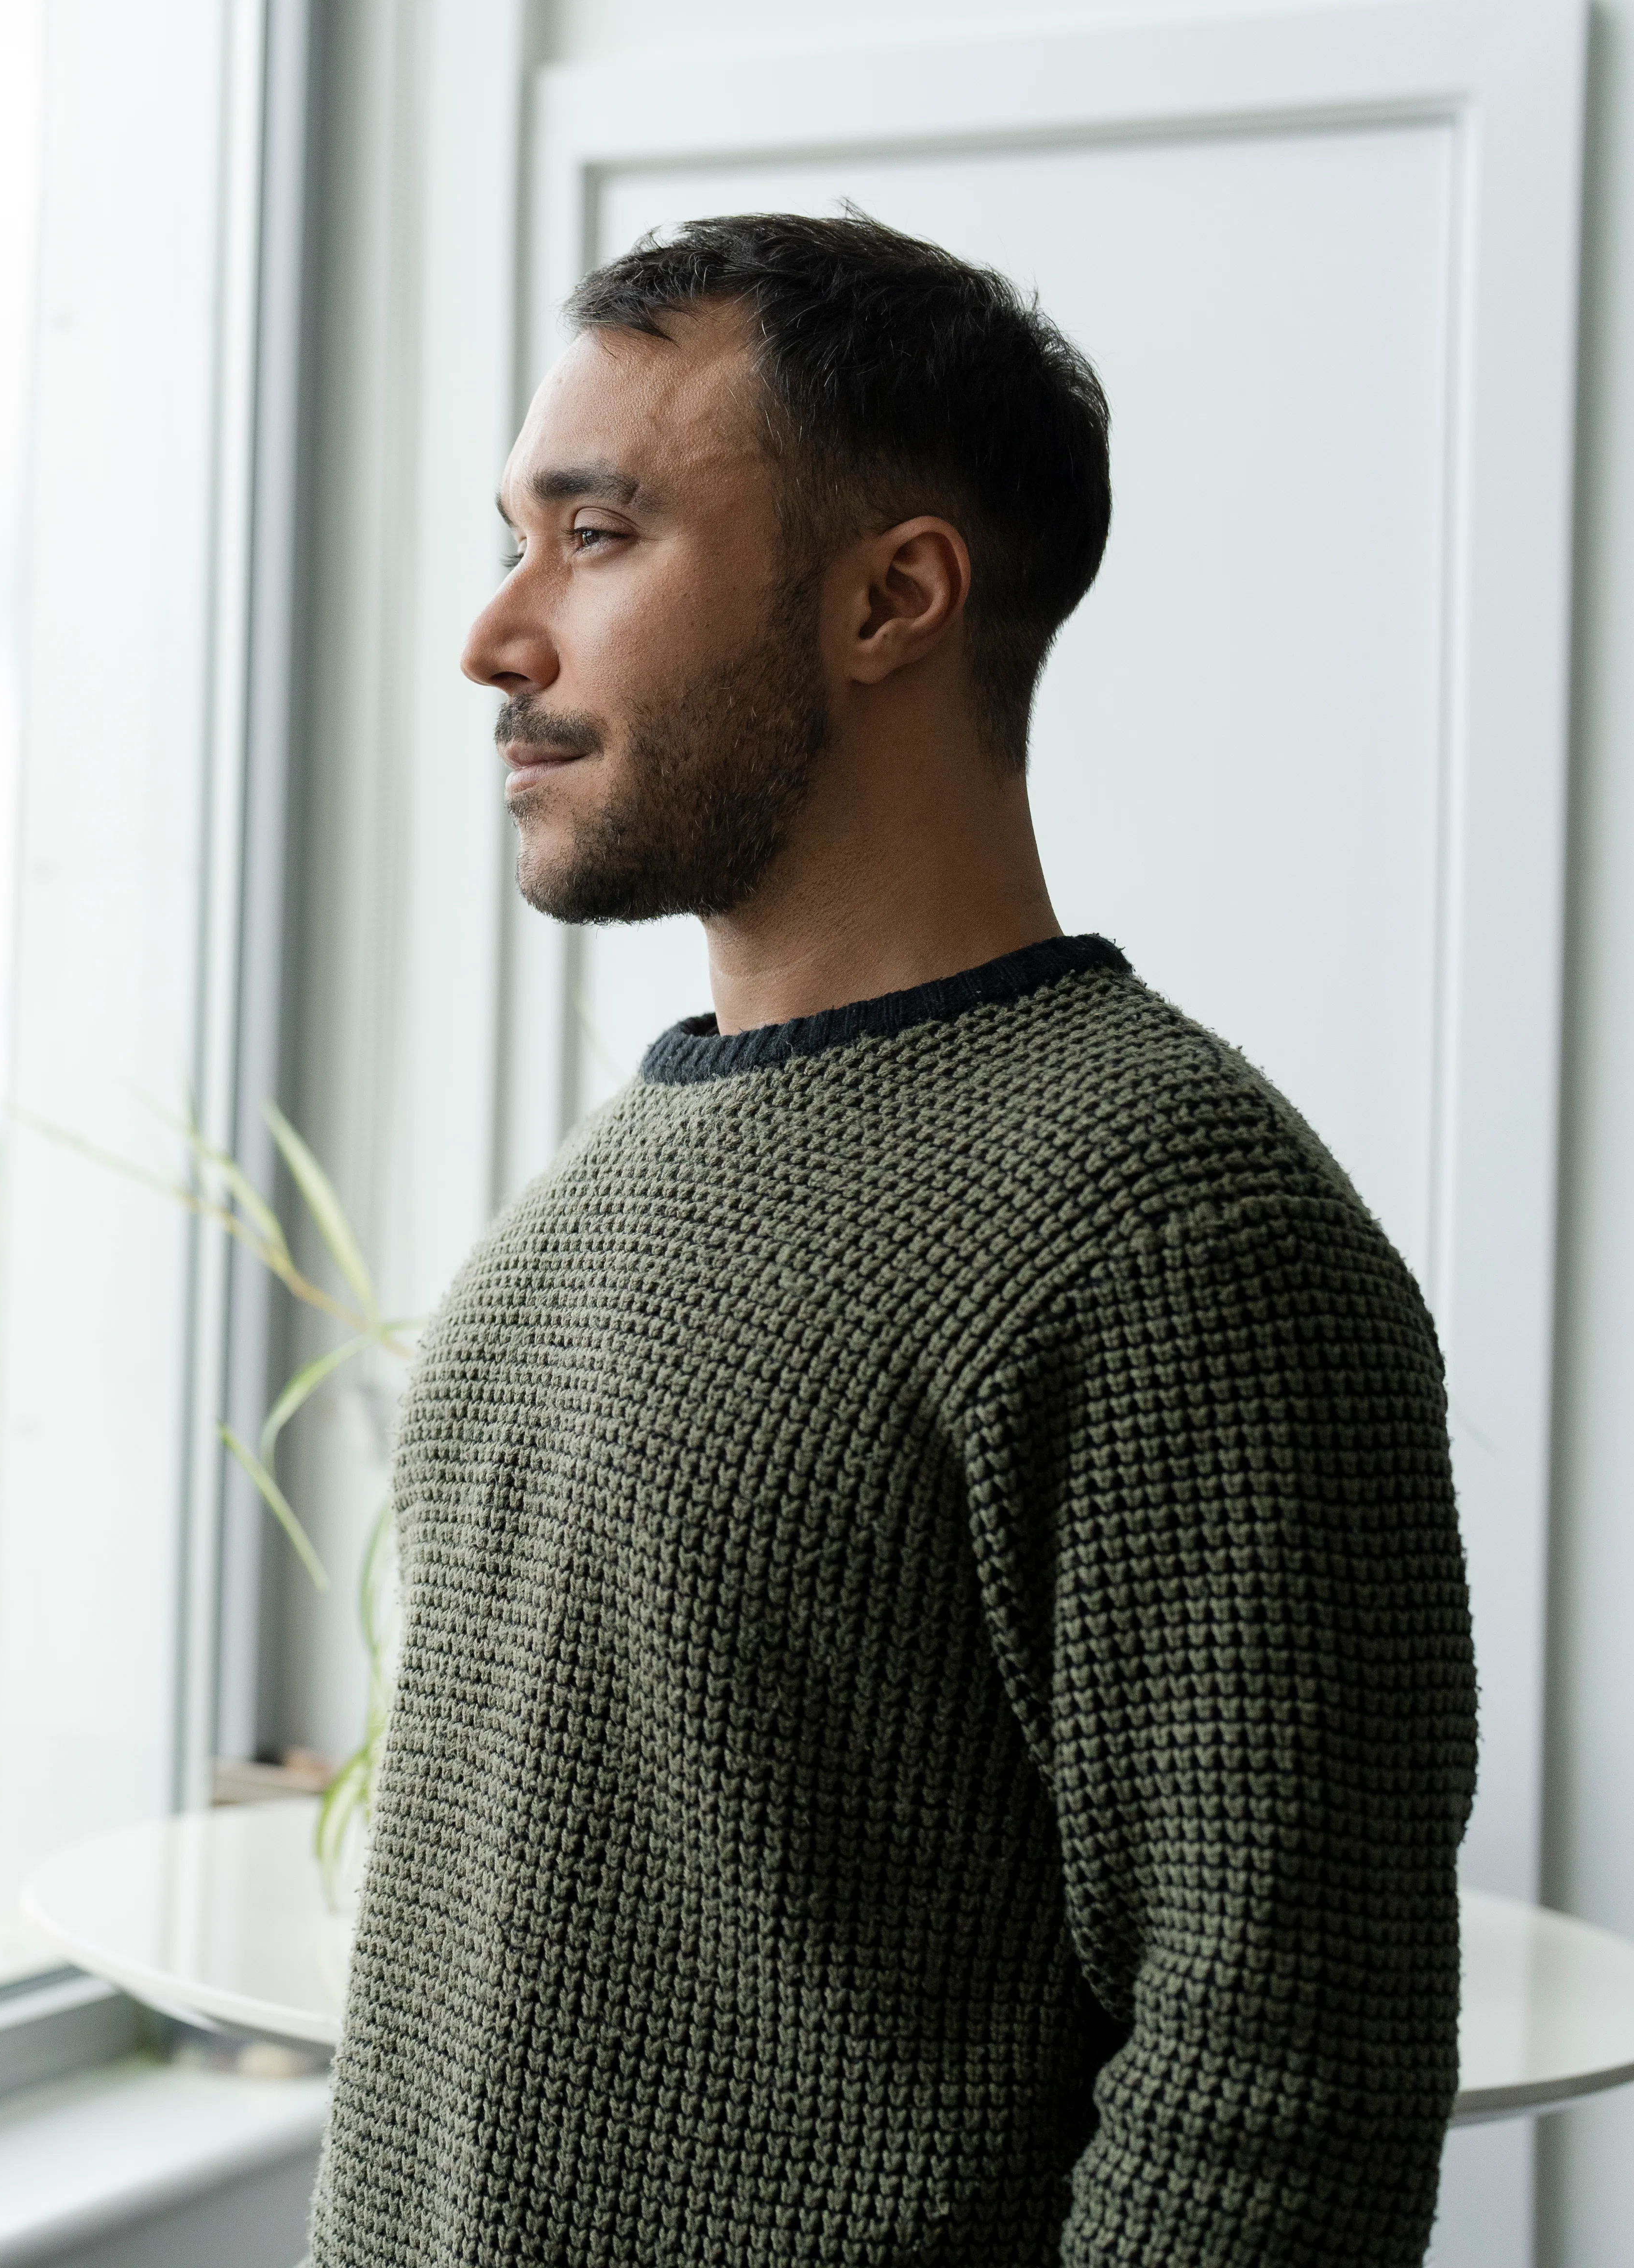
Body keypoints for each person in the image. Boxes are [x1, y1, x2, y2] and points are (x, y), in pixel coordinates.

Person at [307, 212, 1476, 2265]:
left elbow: (1277, 2093)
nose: (498, 635)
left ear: (893, 601)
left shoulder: (1179, 1228)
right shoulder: (613, 1183)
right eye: (513, 535)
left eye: (597, 536)